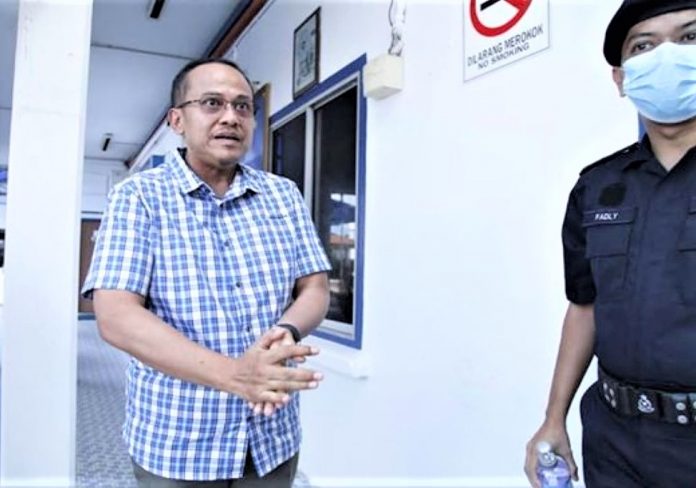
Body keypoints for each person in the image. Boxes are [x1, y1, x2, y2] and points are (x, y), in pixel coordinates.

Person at [82, 58, 332, 487]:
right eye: (212, 103)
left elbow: (315, 287)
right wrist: (236, 375)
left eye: (242, 106)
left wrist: (286, 331)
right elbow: (116, 316)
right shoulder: (138, 197)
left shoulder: (283, 195)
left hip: (272, 436)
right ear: (177, 120)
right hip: (180, 444)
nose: (231, 117)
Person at [524, 1, 696, 486]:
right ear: (621, 79)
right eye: (644, 46)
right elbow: (585, 307)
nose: (666, 56)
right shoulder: (597, 187)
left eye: (689, 37)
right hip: (614, 440)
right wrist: (554, 418)